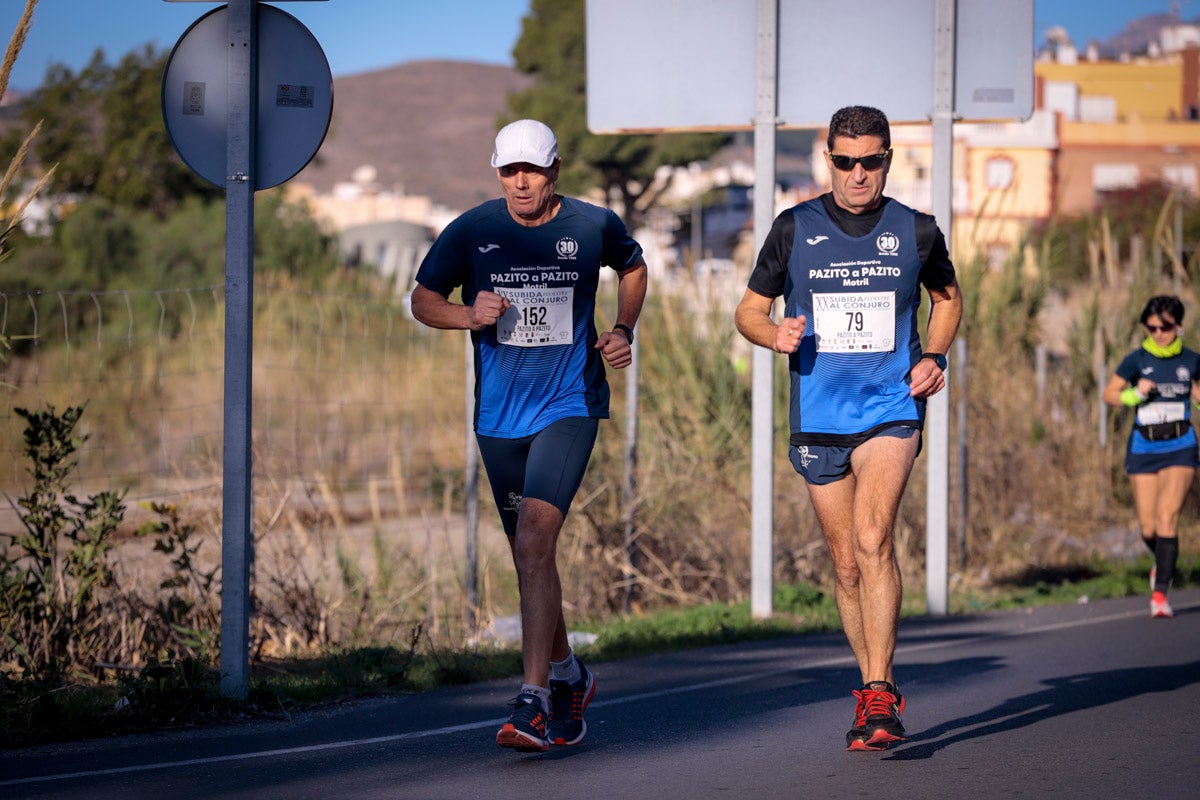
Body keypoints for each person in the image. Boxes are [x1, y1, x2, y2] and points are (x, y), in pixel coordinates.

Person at [410, 118, 648, 752]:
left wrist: (623, 329)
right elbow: (422, 300)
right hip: (499, 417)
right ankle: (569, 674)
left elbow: (633, 268)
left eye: (533, 171)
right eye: (509, 171)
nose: (520, 182)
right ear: (497, 173)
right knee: (528, 554)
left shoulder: (592, 225)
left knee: (536, 539)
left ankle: (533, 700)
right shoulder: (471, 230)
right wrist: (468, 314)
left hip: (569, 403)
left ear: (555, 171)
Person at [733, 105, 963, 751]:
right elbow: (748, 311)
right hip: (818, 417)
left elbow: (948, 299)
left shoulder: (917, 230)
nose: (858, 174)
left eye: (870, 161)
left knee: (872, 537)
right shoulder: (793, 227)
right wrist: (773, 334)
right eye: (845, 161)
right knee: (845, 565)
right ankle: (871, 688)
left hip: (891, 408)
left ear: (887, 160)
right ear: (827, 159)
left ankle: (879, 691)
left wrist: (934, 356)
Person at [1101, 295, 1200, 620]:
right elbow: (1109, 394)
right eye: (1152, 327)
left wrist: (1198, 397)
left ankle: (1160, 594)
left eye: (1165, 327)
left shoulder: (1192, 360)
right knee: (1149, 527)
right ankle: (1164, 560)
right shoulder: (1136, 360)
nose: (1158, 333)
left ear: (1178, 326)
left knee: (1167, 518)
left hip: (1181, 445)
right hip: (1144, 447)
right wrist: (1135, 393)